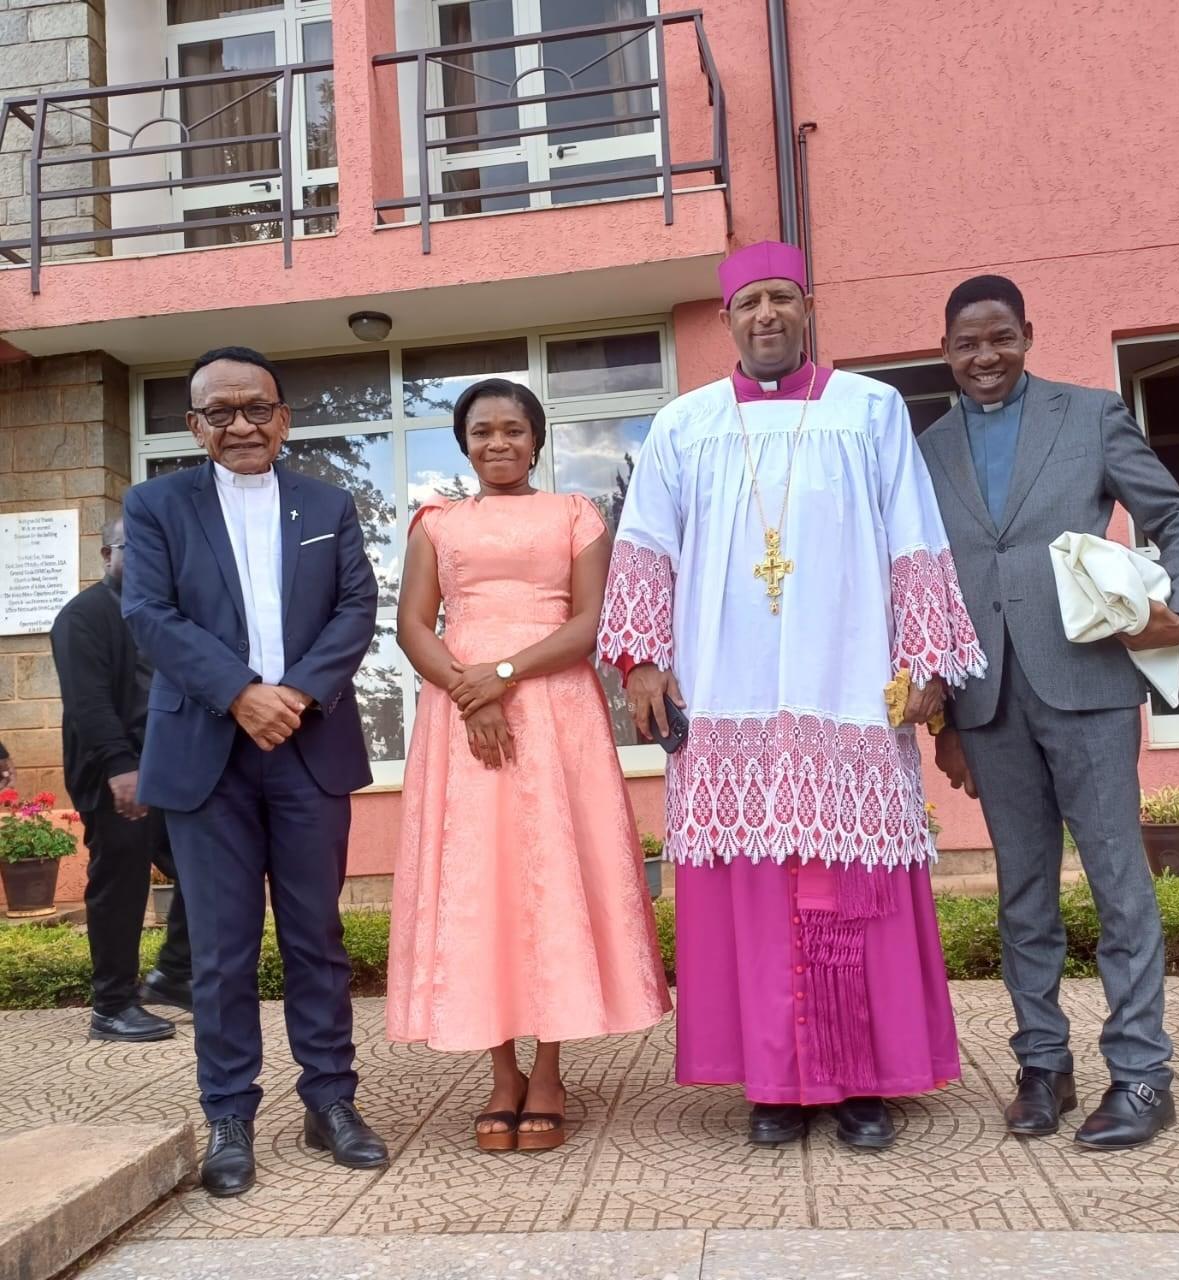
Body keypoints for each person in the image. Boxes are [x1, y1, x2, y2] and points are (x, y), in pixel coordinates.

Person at [598, 242, 986, 1149]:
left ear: (807, 307)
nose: (765, 315)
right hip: (724, 689)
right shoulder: (684, 423)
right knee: (753, 894)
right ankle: (772, 1082)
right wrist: (643, 663)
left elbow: (913, 535)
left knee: (848, 887)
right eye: (749, 302)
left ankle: (858, 1082)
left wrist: (927, 657)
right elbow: (645, 546)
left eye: (781, 298)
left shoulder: (871, 410)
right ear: (727, 319)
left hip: (844, 684)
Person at [920, 275, 1179, 1149]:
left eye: (1000, 338)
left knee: (1120, 883)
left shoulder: (1090, 417)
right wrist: (943, 718)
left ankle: (1141, 1074)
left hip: (1089, 687)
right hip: (988, 700)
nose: (985, 356)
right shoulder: (925, 449)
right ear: (945, 351)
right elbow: (922, 581)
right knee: (1023, 895)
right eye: (967, 343)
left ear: (1028, 335)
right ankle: (1042, 1066)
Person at [122, 346, 388, 1197]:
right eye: (220, 412)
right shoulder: (156, 505)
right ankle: (229, 1115)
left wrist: (295, 694)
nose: (241, 425)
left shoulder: (327, 503)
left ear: (284, 417)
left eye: (256, 408)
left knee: (317, 939)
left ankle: (331, 1101)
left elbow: (356, 608)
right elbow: (148, 613)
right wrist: (240, 693)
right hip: (208, 756)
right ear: (194, 425)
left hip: (309, 747)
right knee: (222, 951)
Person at [387, 378, 670, 1152]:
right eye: (482, 431)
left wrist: (503, 677)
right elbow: (413, 626)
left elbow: (591, 622)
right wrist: (469, 693)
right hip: (460, 715)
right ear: (464, 443)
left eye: (513, 429)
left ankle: (547, 1069)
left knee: (550, 876)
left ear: (537, 440)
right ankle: (500, 1073)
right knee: (479, 882)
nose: (498, 443)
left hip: (554, 712)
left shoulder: (576, 515)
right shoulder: (437, 524)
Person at [50, 517, 192, 1043]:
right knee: (121, 888)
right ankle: (111, 1006)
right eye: (132, 546)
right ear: (108, 555)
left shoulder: (159, 613)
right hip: (115, 776)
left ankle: (175, 974)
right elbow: (87, 703)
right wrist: (119, 767)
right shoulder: (83, 616)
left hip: (168, 770)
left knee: (206, 869)